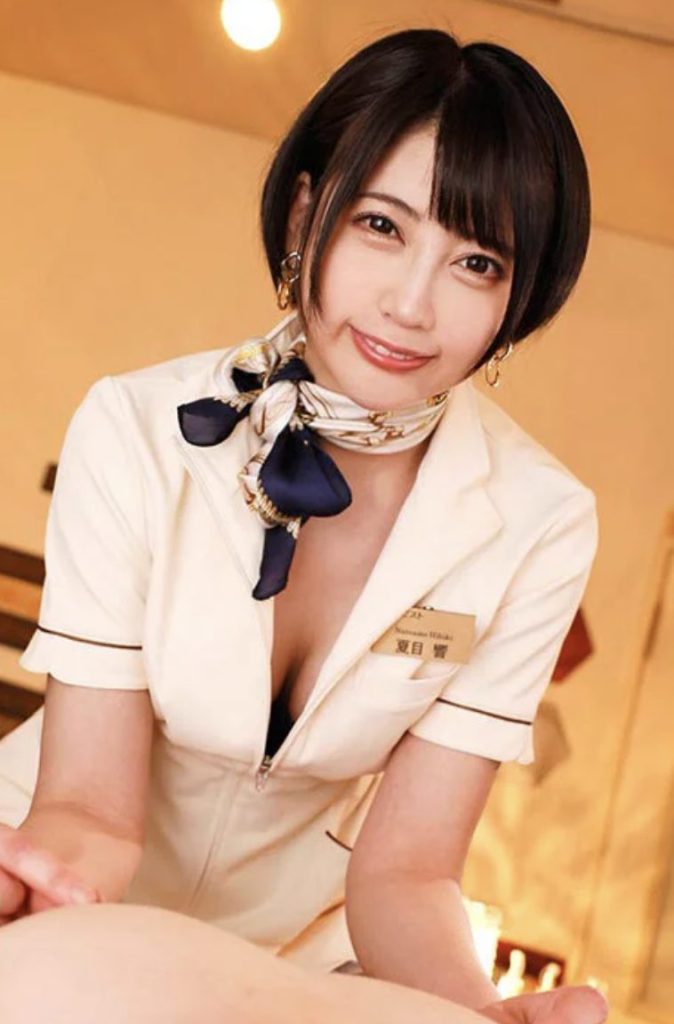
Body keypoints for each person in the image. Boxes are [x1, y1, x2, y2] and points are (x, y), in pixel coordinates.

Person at [0, 26, 603, 1024]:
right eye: (381, 226)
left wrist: (476, 1015)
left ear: (517, 298)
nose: (410, 305)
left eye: (475, 262)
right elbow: (92, 810)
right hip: (58, 881)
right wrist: (33, 887)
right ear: (304, 211)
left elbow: (406, 872)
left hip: (293, 964)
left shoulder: (540, 524)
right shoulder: (136, 428)